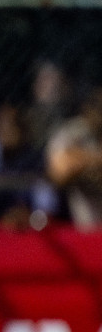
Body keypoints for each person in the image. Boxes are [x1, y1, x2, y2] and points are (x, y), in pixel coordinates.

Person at [46, 89, 102, 230]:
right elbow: (60, 170)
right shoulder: (74, 132)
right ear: (87, 108)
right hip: (82, 227)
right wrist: (94, 158)